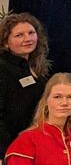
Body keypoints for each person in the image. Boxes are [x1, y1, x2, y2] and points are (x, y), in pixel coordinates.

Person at [0, 13, 53, 154]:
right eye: (19, 35)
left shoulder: (36, 66)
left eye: (31, 33)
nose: (28, 39)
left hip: (33, 144)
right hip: (11, 147)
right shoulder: (3, 67)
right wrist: (11, 149)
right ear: (6, 42)